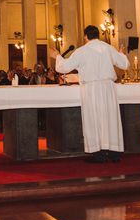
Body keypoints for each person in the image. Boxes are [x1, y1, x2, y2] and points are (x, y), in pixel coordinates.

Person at [50, 25, 129, 163]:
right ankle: (114, 153)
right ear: (98, 35)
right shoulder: (108, 48)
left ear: (86, 36)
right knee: (110, 118)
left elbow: (64, 67)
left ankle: (99, 154)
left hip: (91, 89)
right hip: (108, 88)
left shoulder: (82, 51)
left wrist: (57, 55)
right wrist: (121, 53)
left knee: (94, 120)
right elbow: (124, 64)